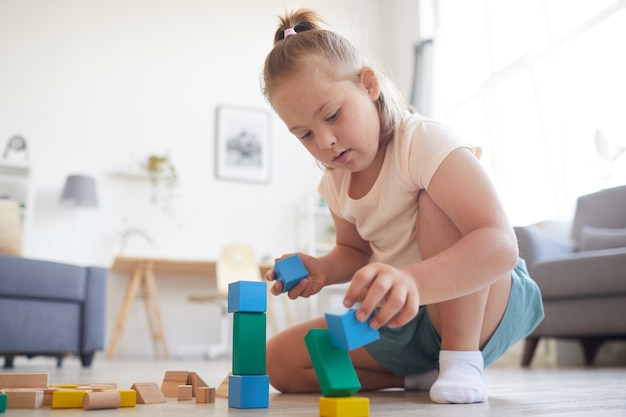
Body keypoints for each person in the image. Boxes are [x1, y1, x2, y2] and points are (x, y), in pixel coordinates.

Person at [261, 9, 544, 404]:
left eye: (332, 115)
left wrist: (412, 281)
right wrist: (323, 268)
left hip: (485, 301)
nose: (324, 141)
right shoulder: (334, 183)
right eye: (305, 134)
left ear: (369, 85)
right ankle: (420, 376)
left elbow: (498, 244)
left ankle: (461, 359)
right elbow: (355, 251)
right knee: (278, 360)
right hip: (408, 317)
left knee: (433, 201)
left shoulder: (423, 141)